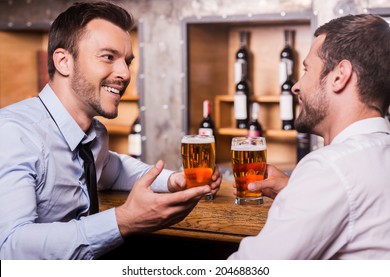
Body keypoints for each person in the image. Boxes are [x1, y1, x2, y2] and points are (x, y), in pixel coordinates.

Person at [0, 1, 222, 260]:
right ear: (63, 62)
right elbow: (10, 247)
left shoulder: (94, 135)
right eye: (108, 57)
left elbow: (112, 169)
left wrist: (173, 181)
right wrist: (123, 220)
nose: (125, 73)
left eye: (127, 61)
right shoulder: (12, 133)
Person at [229, 14, 390, 259]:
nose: (296, 86)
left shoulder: (330, 168)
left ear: (339, 76)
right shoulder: (372, 158)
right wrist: (296, 191)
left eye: (306, 70)